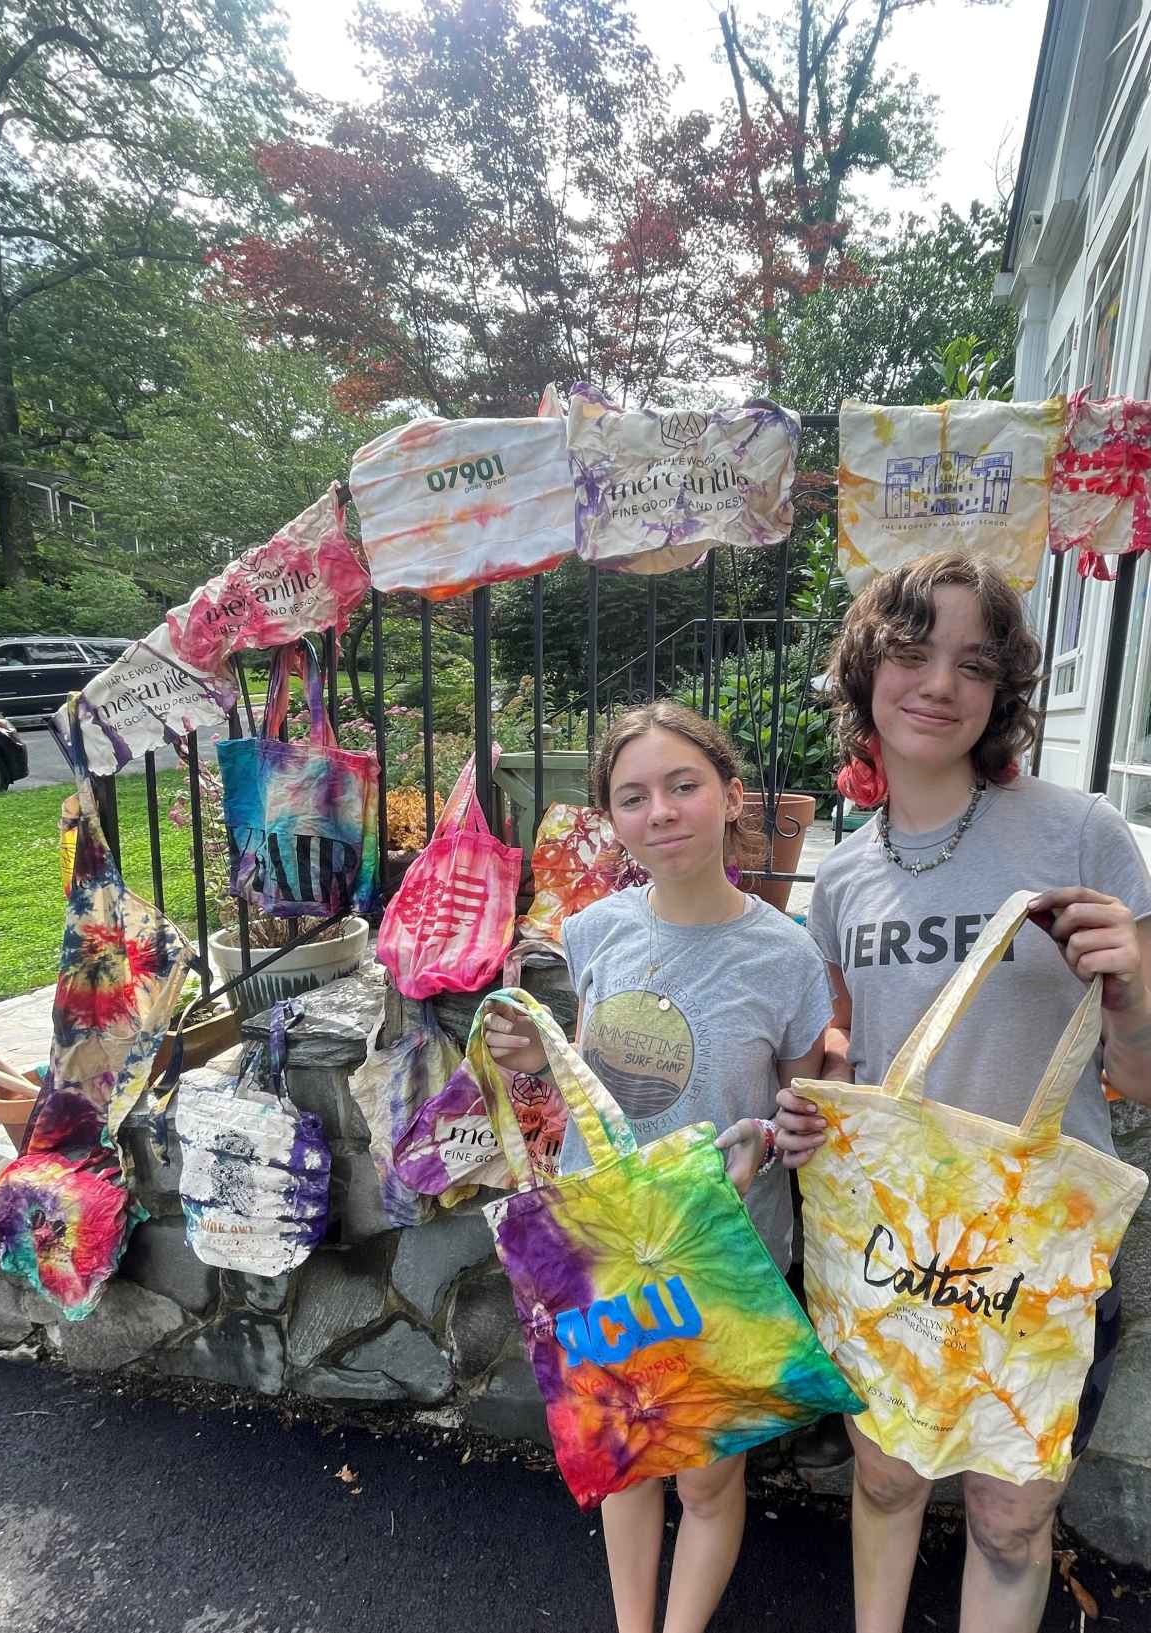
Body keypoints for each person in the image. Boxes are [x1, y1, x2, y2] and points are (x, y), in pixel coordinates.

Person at [777, 551, 1151, 1633]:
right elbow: (840, 1046)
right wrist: (816, 1095)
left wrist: (1123, 992)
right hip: (887, 1239)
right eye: (910, 650)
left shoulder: (1078, 832)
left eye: (972, 662)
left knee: (1005, 1519)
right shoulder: (842, 873)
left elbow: (1134, 1072)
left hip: (1033, 1243)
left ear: (1000, 691)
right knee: (887, 1480)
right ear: (865, 669)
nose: (938, 682)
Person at [485, 700, 833, 1633]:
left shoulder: (788, 953)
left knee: (708, 1477)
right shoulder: (591, 932)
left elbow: (805, 1109)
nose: (662, 812)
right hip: (606, 1243)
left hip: (725, 1251)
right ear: (611, 815)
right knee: (627, 1460)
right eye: (634, 796)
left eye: (683, 785)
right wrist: (540, 1060)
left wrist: (785, 1130)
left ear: (730, 795)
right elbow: (594, 1076)